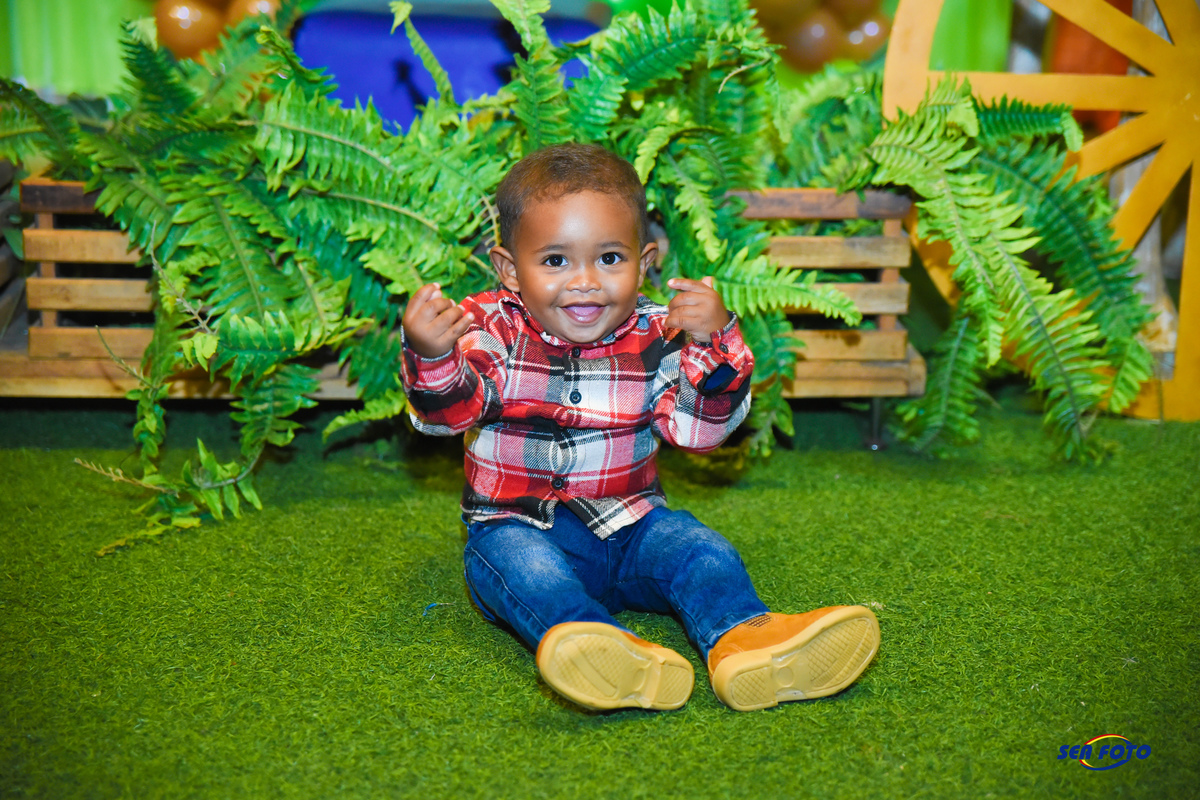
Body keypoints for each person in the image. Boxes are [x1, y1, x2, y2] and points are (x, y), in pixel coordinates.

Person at [400, 142, 880, 712]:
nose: (585, 282)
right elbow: (448, 415)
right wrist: (433, 355)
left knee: (700, 549)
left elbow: (697, 433)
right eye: (555, 261)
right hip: (518, 526)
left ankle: (744, 637)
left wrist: (714, 345)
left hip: (630, 526)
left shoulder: (658, 333)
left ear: (645, 261)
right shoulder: (490, 327)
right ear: (509, 269)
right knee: (525, 573)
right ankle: (597, 644)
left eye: (609, 258)